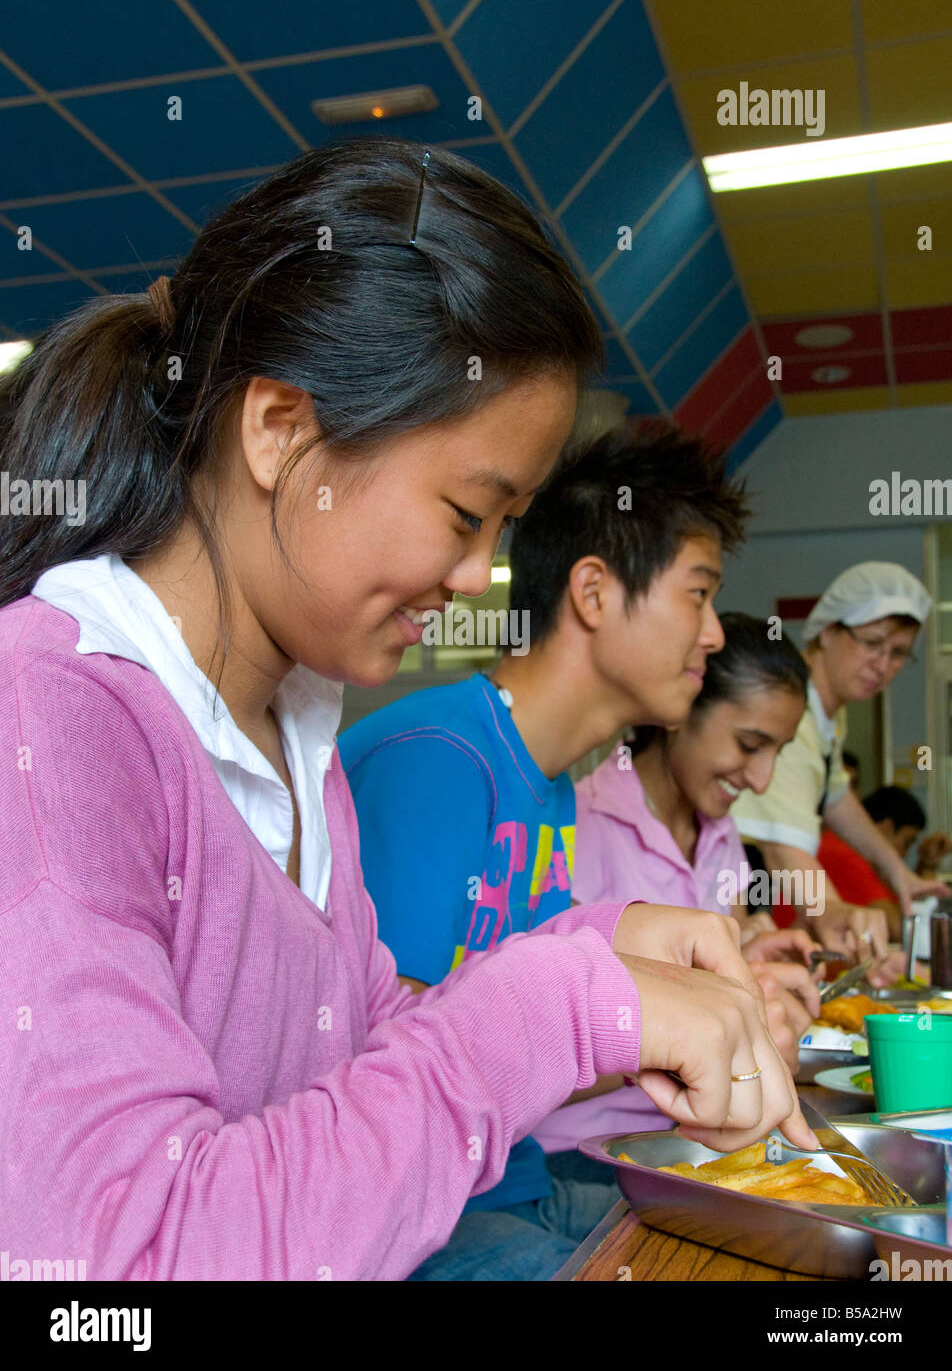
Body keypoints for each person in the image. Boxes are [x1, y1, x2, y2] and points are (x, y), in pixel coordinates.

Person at [0, 138, 812, 1283]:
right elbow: (115, 1273)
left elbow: (365, 1042)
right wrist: (554, 1005)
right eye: (462, 512)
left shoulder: (297, 727)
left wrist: (605, 965)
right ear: (280, 431)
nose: (475, 576)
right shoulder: (50, 710)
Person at [341, 430, 814, 1266]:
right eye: (697, 595)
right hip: (429, 1218)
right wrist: (661, 1026)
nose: (711, 636)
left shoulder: (547, 784)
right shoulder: (440, 760)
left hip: (515, 1180)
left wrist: (701, 1013)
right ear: (593, 592)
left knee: (793, 1242)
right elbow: (389, 1066)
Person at [544, 614, 821, 1172]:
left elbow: (712, 976)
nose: (761, 780)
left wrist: (748, 968)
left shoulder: (722, 837)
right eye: (749, 745)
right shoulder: (576, 828)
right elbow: (531, 1044)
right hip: (584, 1159)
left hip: (693, 1144)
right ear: (680, 709)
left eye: (779, 753)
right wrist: (705, 1023)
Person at [730, 562, 948, 978]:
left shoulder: (828, 718)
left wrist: (899, 874)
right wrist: (832, 910)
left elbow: (836, 797)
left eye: (898, 653)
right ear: (827, 631)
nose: (883, 665)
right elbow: (781, 846)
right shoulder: (791, 714)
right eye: (872, 643)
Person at [819, 785, 952, 941]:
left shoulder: (846, 850)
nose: (905, 854)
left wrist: (925, 865)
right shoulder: (844, 854)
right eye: (907, 842)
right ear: (888, 827)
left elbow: (899, 902)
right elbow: (900, 929)